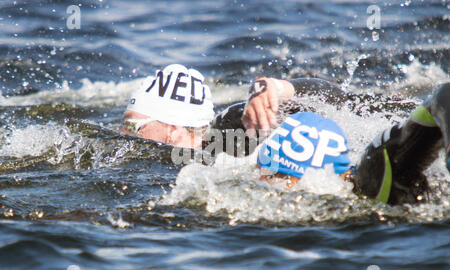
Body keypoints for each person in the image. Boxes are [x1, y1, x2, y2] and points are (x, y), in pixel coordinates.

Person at [120, 64, 449, 205]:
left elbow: (332, 99)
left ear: (175, 129)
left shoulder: (227, 130)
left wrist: (276, 88)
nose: (123, 136)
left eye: (133, 127)